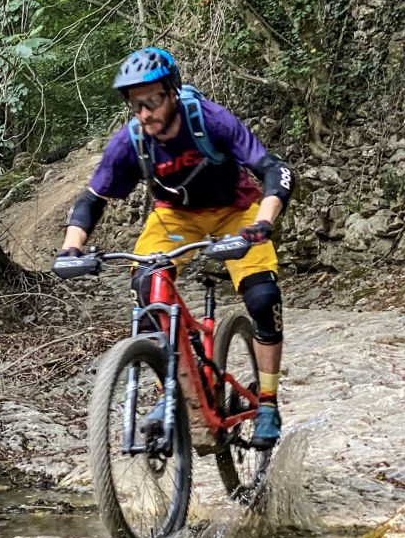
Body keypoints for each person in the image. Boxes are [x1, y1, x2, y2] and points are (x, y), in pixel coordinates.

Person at [53, 47, 293, 447]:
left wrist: (263, 224)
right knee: (148, 290)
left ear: (173, 93)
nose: (144, 114)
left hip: (237, 210)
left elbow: (275, 169)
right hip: (175, 217)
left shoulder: (211, 121)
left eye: (152, 102)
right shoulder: (129, 142)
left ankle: (267, 401)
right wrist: (70, 249)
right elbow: (93, 198)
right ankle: (173, 393)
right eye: (136, 105)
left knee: (263, 297)